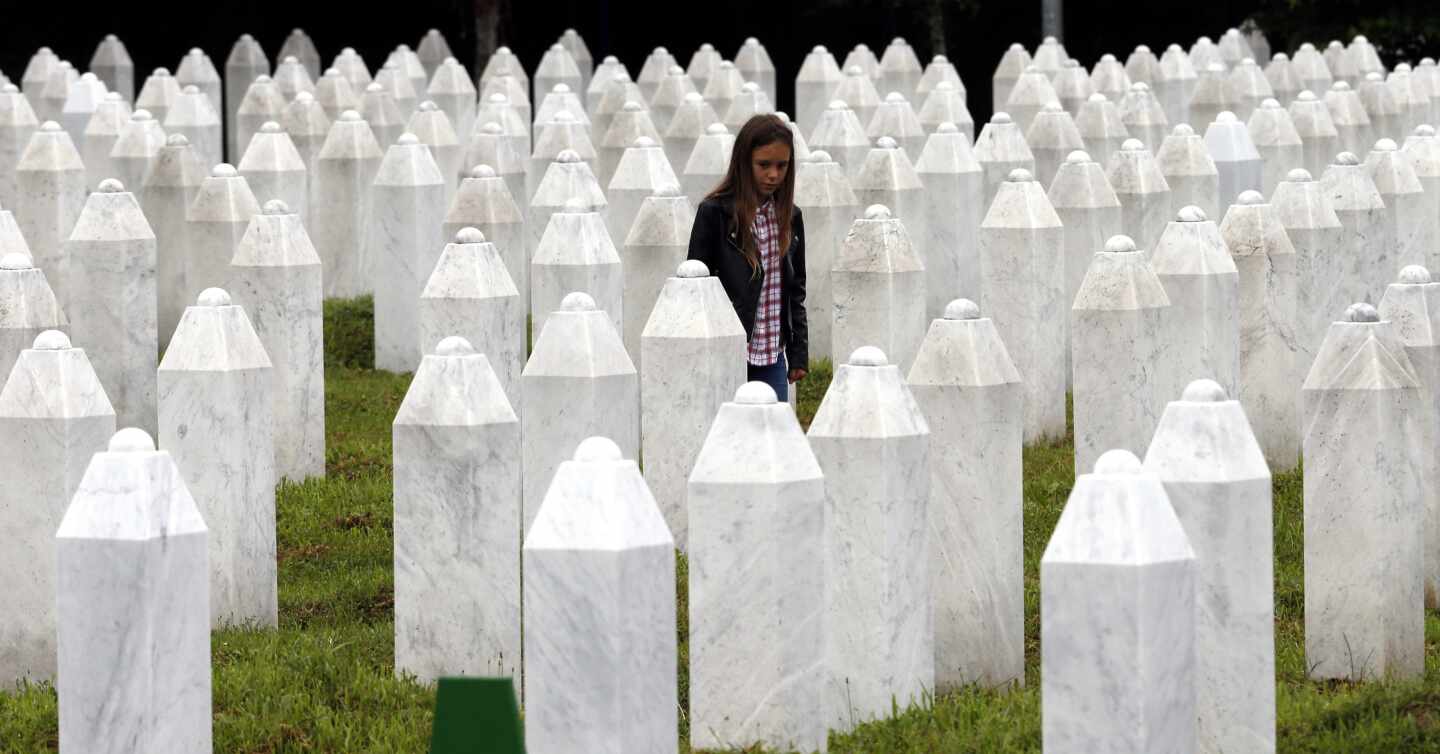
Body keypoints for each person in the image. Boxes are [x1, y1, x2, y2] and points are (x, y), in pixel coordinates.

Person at [685, 113, 808, 400]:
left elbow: (795, 290)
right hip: (729, 352)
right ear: (744, 162)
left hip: (772, 357)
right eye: (764, 165)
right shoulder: (714, 214)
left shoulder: (791, 218)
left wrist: (798, 352)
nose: (773, 175)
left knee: (772, 439)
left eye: (782, 166)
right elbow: (696, 290)